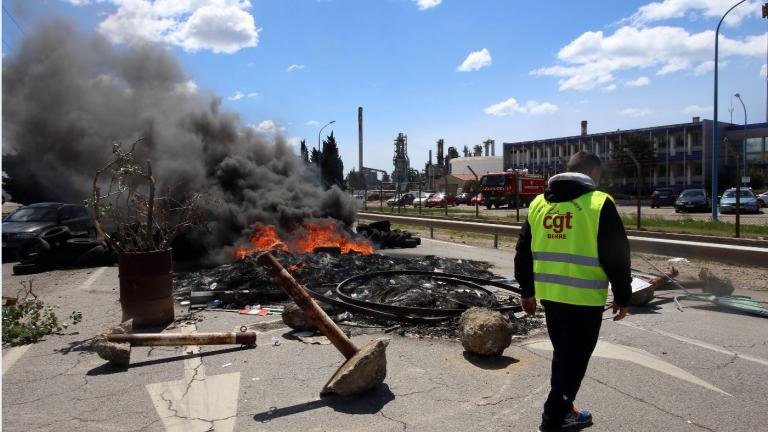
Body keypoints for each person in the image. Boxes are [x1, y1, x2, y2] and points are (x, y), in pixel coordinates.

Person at [514, 151, 631, 431]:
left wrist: (527, 291)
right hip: (584, 301)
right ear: (593, 174)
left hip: (551, 298)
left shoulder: (539, 204)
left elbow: (522, 252)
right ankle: (552, 421)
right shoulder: (598, 203)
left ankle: (564, 410)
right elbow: (617, 254)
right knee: (573, 365)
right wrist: (623, 295)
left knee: (563, 358)